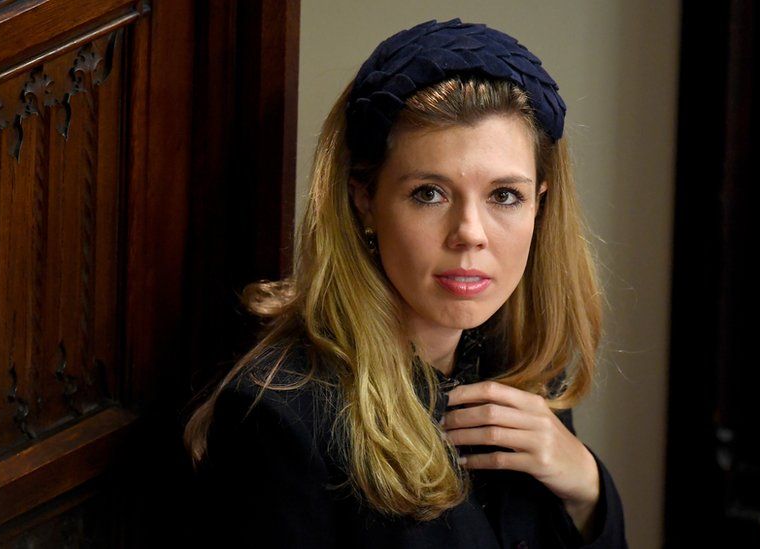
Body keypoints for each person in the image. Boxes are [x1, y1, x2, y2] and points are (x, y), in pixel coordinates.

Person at [183, 18, 627, 548]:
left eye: (504, 195)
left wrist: (588, 492)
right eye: (429, 194)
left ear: (540, 204)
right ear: (364, 199)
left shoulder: (525, 367)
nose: (469, 234)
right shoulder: (279, 418)